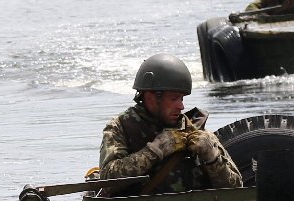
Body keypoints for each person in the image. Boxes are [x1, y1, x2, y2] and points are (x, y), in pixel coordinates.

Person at [100, 54, 242, 193]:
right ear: (150, 98)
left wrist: (212, 158)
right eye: (174, 99)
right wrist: (155, 151)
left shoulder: (194, 130)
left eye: (181, 99)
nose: (181, 106)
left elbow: (236, 188)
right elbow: (107, 182)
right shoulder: (121, 127)